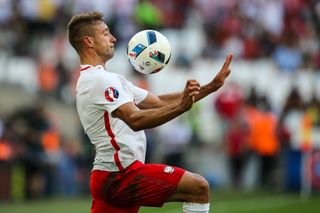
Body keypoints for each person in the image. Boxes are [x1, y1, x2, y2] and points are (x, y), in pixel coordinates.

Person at [67, 11, 232, 213]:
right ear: (88, 41)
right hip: (120, 173)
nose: (113, 38)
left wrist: (210, 87)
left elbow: (158, 101)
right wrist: (181, 108)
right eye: (105, 33)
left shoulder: (108, 78)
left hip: (109, 175)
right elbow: (134, 119)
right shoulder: (99, 80)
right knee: (198, 187)